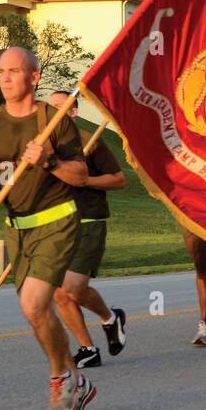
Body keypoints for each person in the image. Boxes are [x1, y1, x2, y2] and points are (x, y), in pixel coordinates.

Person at [0, 48, 93, 410]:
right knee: (38, 315)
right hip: (15, 229)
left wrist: (49, 161)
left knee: (34, 305)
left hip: (56, 220)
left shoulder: (53, 121)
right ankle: (76, 379)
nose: (5, 78)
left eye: (14, 71)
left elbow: (81, 176)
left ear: (34, 77)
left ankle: (60, 379)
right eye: (1, 71)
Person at [45, 91, 127, 370]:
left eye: (60, 107)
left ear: (73, 112)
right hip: (54, 226)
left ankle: (110, 317)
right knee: (57, 293)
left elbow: (118, 180)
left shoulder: (88, 141)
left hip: (88, 221)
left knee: (74, 287)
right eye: (50, 108)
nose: (54, 112)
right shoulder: (42, 145)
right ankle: (88, 349)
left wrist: (85, 180)